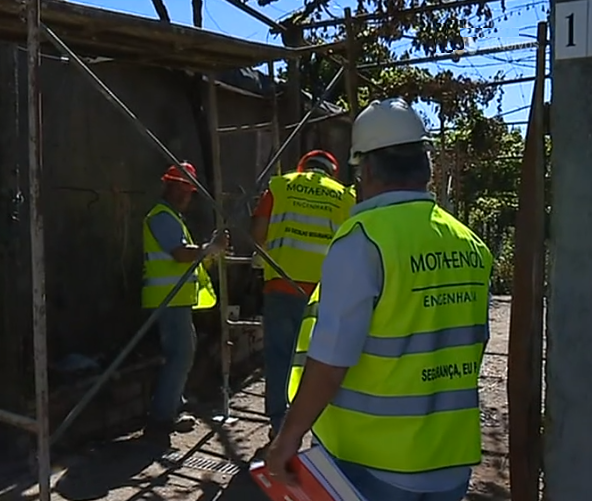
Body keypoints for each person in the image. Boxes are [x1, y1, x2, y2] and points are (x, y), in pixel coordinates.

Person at [266, 98, 493, 501]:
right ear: (425, 167)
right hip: (449, 461)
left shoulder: (364, 240)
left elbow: (331, 360)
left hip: (370, 461)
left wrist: (288, 437)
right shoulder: (471, 245)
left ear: (365, 169)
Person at [250, 150, 355, 437]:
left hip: (281, 286)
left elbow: (258, 233)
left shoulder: (279, 186)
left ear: (302, 167)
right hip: (325, 293)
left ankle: (279, 423)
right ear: (331, 172)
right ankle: (318, 424)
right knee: (320, 359)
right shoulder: (345, 196)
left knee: (280, 356)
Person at [142, 163, 228, 434]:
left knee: (182, 352)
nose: (187, 196)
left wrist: (209, 251)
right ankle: (162, 417)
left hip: (175, 298)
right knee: (180, 355)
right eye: (183, 188)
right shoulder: (162, 216)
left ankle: (171, 404)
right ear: (171, 186)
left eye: (189, 191)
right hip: (169, 298)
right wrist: (210, 248)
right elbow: (180, 254)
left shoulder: (170, 217)